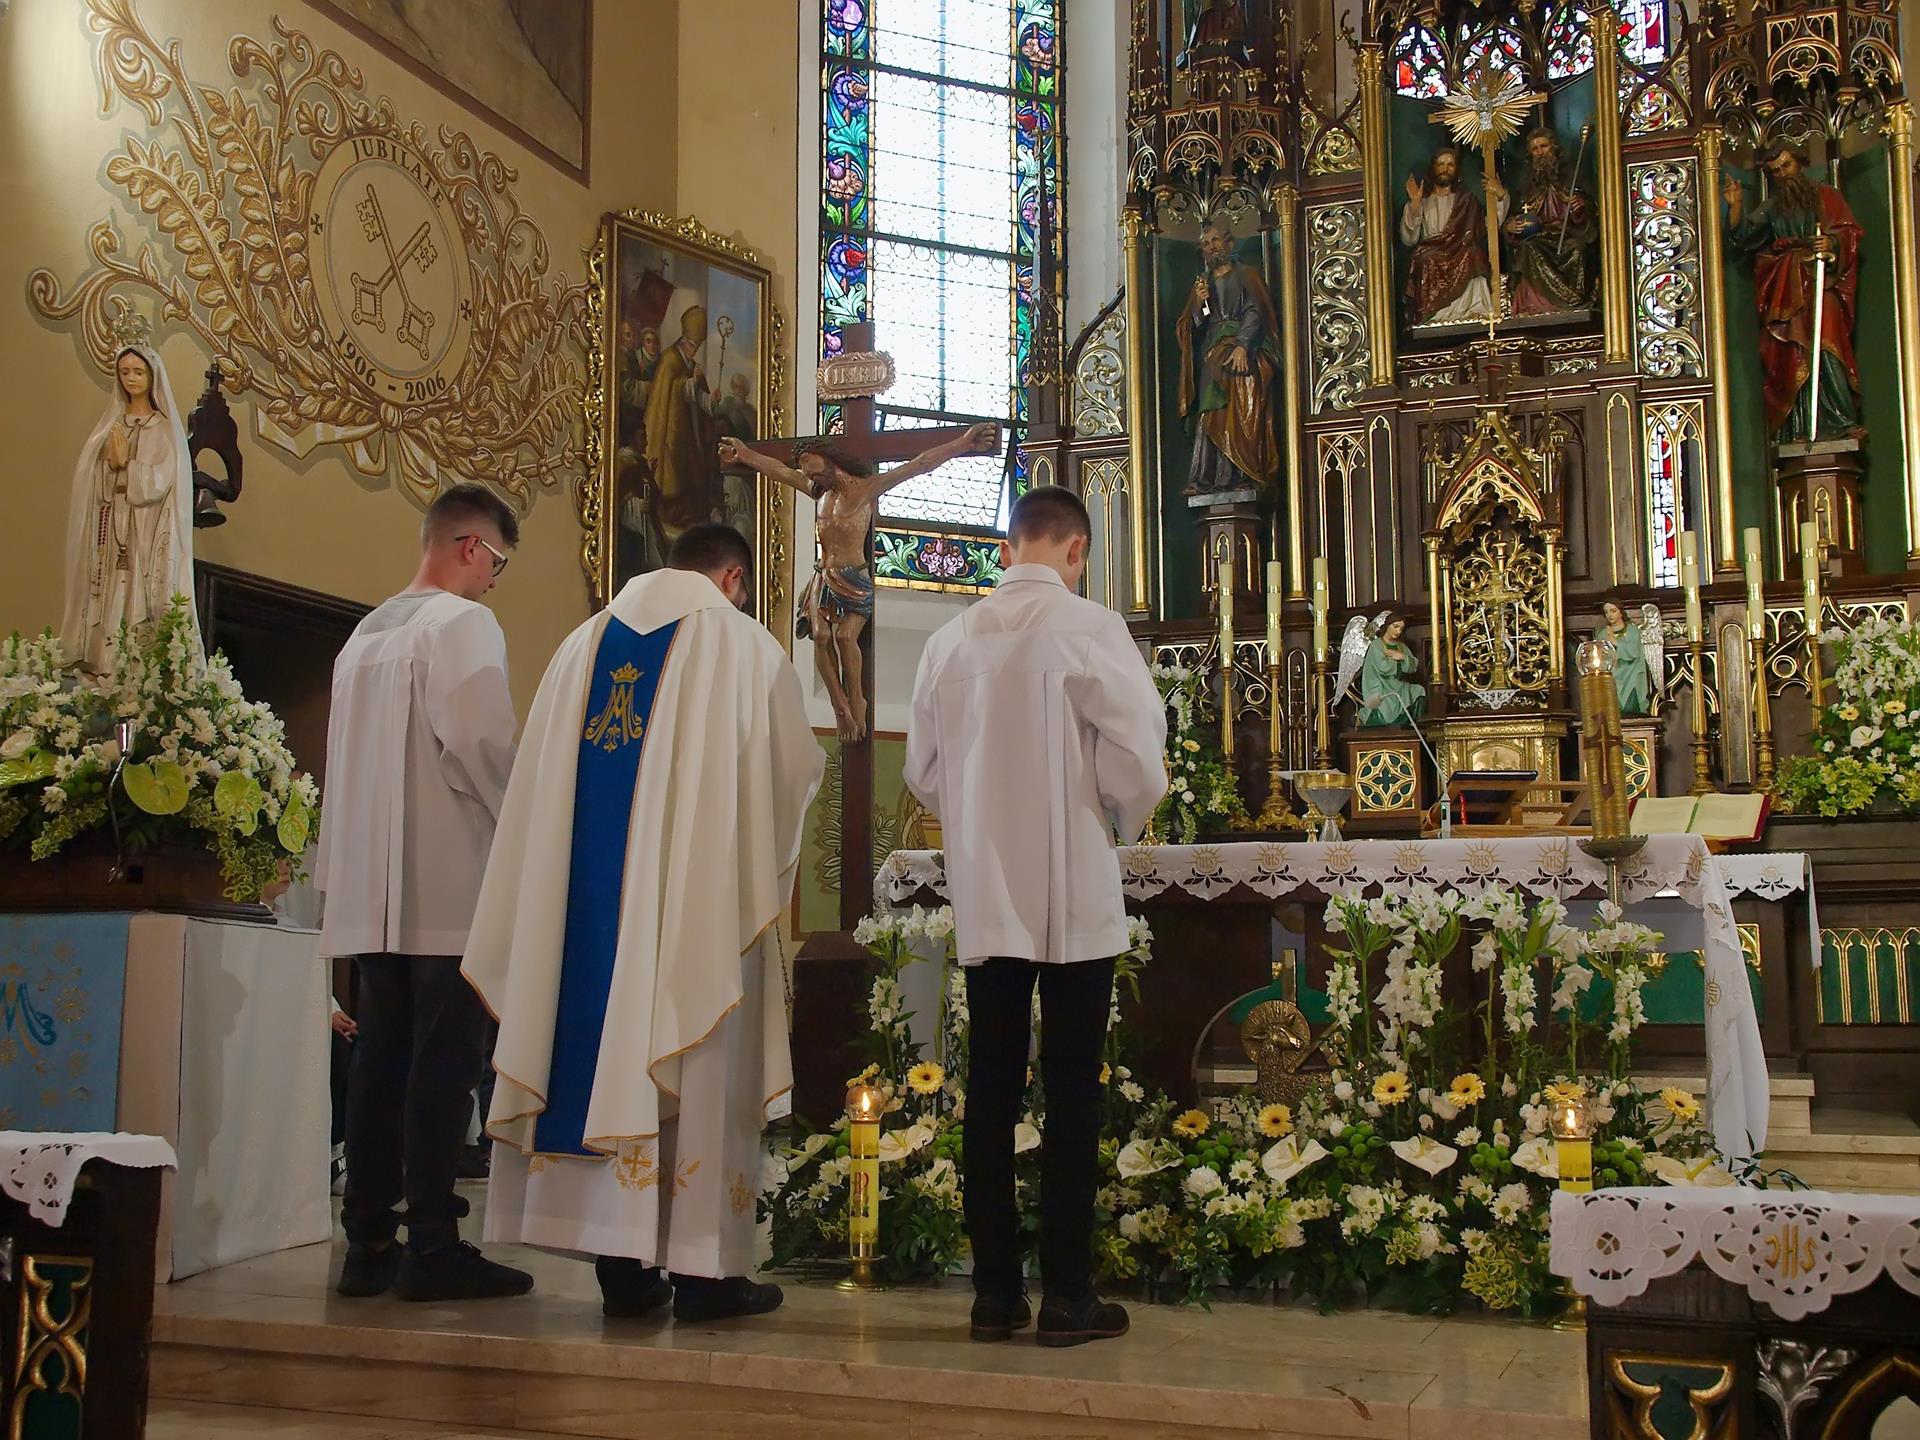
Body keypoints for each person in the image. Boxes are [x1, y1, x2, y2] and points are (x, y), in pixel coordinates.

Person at [463, 524, 824, 1324]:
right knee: (695, 1042)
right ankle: (704, 1272)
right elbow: (792, 772)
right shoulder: (745, 647)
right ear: (733, 577)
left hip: (581, 916)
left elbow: (534, 791)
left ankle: (622, 1272)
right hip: (696, 908)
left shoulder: (579, 648)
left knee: (603, 1041)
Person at [904, 487, 1167, 1348]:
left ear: (1010, 546)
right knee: (1073, 1087)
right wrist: (1116, 815)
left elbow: (924, 771)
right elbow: (1138, 757)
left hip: (989, 893)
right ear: (1076, 549)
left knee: (989, 1086)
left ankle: (992, 1295)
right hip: (1073, 891)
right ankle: (1067, 1297)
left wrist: (978, 818)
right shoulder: (1091, 630)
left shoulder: (949, 640)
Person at [315, 483, 531, 1303]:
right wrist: (528, 824)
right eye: (497, 565)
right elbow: (480, 741)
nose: (494, 584)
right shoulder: (462, 624)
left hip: (373, 886)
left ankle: (367, 1243)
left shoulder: (364, 635)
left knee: (381, 1058)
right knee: (445, 1061)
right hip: (445, 879)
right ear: (471, 546)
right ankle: (433, 1245)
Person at [720, 423, 997, 742]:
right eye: (803, 468)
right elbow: (779, 471)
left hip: (852, 576)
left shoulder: (866, 489)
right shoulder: (817, 491)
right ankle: (840, 708)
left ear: (827, 459)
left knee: (845, 636)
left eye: (809, 465)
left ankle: (856, 700)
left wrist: (963, 443)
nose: (807, 474)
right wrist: (746, 454)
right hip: (823, 575)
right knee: (821, 636)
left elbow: (919, 464)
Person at [60, 344, 198, 674]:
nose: (131, 379)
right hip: (112, 526)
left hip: (145, 530)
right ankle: (101, 657)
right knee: (110, 589)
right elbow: (94, 482)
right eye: (124, 372)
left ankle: (133, 662)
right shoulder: (111, 427)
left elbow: (162, 480)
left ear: (152, 377)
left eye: (138, 372)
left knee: (135, 589)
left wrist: (128, 466)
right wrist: (110, 467)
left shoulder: (163, 429)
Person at [1724, 144, 1865, 443]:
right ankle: (1798, 427)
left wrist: (1831, 244)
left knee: (1827, 346)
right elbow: (1744, 237)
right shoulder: (1773, 207)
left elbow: (1848, 232)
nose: (1783, 174)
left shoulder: (1825, 195)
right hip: (1786, 287)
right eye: (1775, 171)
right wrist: (1735, 206)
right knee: (1791, 355)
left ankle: (1840, 419)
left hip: (1821, 283)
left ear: (1799, 162)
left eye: (1786, 165)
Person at [1175, 217, 1283, 496]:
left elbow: (1256, 311)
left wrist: (1243, 346)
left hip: (1246, 351)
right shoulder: (1203, 284)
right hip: (1213, 353)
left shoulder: (1247, 275)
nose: (1211, 247)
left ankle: (1243, 472)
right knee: (1210, 412)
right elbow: (1195, 325)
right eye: (1205, 244)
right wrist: (1200, 304)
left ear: (1229, 243)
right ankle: (1206, 477)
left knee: (1245, 404)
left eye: (1215, 240)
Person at [1401, 145, 1509, 325]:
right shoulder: (1423, 202)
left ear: (1456, 170)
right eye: (1440, 164)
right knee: (1427, 259)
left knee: (1474, 254)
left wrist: (1500, 196)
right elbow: (1409, 239)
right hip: (1431, 252)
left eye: (1450, 165)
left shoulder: (1466, 201)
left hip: (1461, 250)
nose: (1445, 169)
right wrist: (1415, 205)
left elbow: (1489, 226)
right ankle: (1435, 315)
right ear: (1433, 168)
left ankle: (1474, 308)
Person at [643, 305, 722, 547]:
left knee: (692, 472)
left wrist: (711, 400)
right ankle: (670, 517)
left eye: (696, 346)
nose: (693, 350)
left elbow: (697, 398)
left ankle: (689, 519)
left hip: (688, 432)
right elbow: (671, 391)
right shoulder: (669, 359)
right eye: (692, 345)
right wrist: (690, 383)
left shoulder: (690, 364)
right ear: (684, 340)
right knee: (673, 472)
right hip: (670, 429)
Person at [1503, 128, 1595, 316]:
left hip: (1567, 233)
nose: (1540, 152)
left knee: (1577, 249)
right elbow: (1515, 214)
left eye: (1543, 146)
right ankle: (1538, 304)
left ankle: (1572, 301)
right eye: (1534, 149)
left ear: (1554, 148)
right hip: (1539, 237)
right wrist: (1511, 226)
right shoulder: (1526, 184)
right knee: (1529, 249)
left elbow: (1592, 209)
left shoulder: (1571, 176)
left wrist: (1580, 207)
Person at [1356, 615, 1427, 728]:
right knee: (1387, 708)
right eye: (1395, 626)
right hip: (1380, 686)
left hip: (1398, 685)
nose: (1398, 631)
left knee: (1419, 690)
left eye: (1401, 628)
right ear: (1387, 626)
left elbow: (1414, 665)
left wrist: (1402, 657)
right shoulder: (1377, 645)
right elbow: (1383, 668)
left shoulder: (1401, 646)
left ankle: (1415, 726)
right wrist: (1399, 661)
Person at [1595, 600, 1652, 717]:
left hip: (1631, 674)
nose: (1609, 615)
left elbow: (1633, 652)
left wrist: (1615, 642)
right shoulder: (1603, 634)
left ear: (1621, 612)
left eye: (1613, 611)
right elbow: (1599, 657)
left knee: (1631, 707)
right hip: (1613, 674)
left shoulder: (1631, 630)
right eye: (1606, 612)